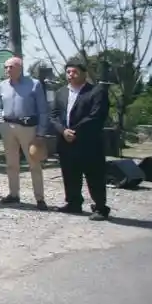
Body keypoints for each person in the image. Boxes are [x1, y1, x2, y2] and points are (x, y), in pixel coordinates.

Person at [50, 60, 111, 220]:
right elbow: (54, 116)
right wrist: (63, 131)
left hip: (89, 142)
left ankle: (100, 207)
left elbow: (96, 116)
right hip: (66, 141)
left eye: (75, 71)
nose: (71, 75)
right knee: (70, 174)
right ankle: (73, 202)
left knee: (94, 175)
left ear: (84, 73)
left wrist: (74, 131)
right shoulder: (61, 92)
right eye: (68, 72)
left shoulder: (96, 92)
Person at [0, 56, 50, 210]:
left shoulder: (34, 84)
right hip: (7, 126)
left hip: (28, 128)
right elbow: (0, 105)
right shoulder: (2, 85)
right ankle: (14, 194)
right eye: (6, 67)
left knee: (34, 163)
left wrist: (41, 133)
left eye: (11, 67)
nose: (7, 70)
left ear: (20, 68)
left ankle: (39, 198)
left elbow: (43, 110)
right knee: (11, 163)